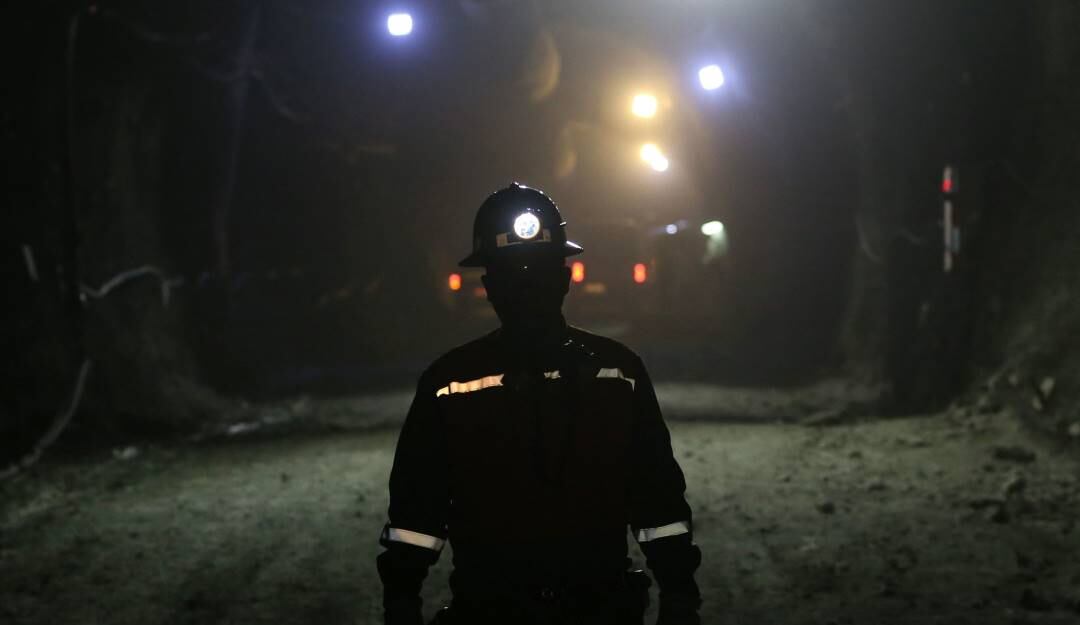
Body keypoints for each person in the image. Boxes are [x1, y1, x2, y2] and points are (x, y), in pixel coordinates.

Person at [376, 183, 702, 625]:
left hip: (513, 609)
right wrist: (679, 594)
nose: (526, 287)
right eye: (516, 275)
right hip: (577, 610)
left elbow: (655, 495)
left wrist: (401, 601)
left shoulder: (449, 382)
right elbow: (417, 511)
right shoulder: (616, 373)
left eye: (538, 272)